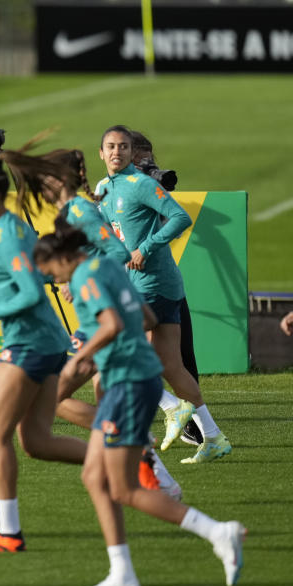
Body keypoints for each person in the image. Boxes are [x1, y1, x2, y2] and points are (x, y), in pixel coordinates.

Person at [34, 220, 246, 586]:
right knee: (94, 478)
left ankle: (217, 531)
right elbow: (146, 318)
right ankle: (123, 573)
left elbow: (112, 324)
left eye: (53, 276)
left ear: (64, 259)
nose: (57, 285)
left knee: (126, 489)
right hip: (139, 379)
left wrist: (78, 360)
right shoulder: (108, 268)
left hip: (127, 385)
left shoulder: (85, 277)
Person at [8, 147, 180, 499]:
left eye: (45, 177)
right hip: (98, 318)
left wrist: (82, 275)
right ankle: (149, 467)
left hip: (101, 323)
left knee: (53, 398)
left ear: (59, 180)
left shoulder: (80, 211)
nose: (40, 184)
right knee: (100, 402)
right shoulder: (70, 213)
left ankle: (137, 450)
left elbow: (116, 253)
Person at [0, 155, 87, 554]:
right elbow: (43, 276)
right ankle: (127, 454)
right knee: (36, 441)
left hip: (29, 345)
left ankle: (10, 534)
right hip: (47, 343)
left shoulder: (7, 236)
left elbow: (31, 292)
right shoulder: (10, 230)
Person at [96, 125, 231, 464]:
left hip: (152, 285)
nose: (116, 152)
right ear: (101, 153)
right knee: (171, 364)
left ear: (131, 153)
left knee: (117, 354)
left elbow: (180, 217)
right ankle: (213, 436)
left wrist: (144, 248)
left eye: (123, 147)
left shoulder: (139, 185)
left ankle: (172, 409)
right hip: (154, 286)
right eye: (110, 147)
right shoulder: (104, 190)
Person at [129, 130, 203, 447]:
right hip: (142, 283)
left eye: (148, 160)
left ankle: (188, 421)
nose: (145, 166)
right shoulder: (112, 192)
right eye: (139, 160)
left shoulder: (149, 190)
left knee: (175, 359)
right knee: (157, 358)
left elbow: (176, 219)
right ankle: (201, 428)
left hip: (158, 283)